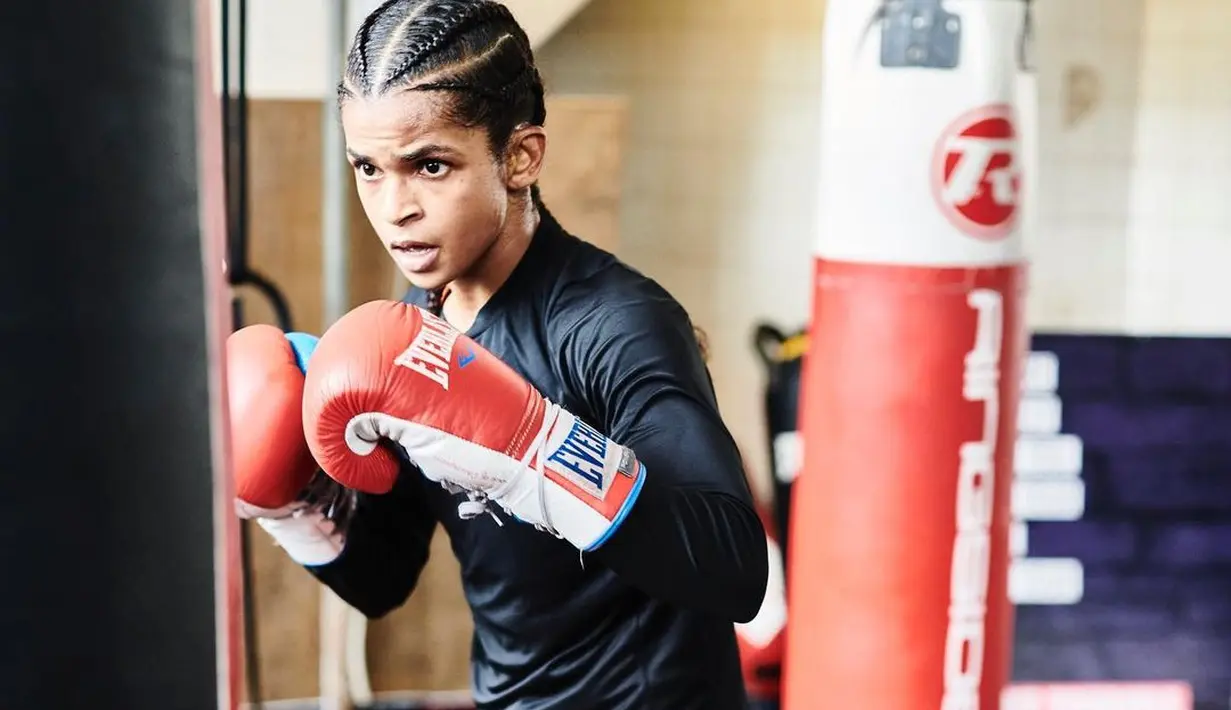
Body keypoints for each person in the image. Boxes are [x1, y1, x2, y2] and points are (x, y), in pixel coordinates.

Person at [241, 1, 769, 707]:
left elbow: (734, 570)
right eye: (368, 168)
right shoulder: (416, 328)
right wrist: (293, 506)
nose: (394, 207)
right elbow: (384, 579)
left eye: (429, 166)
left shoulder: (616, 324)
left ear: (520, 156)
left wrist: (534, 450)